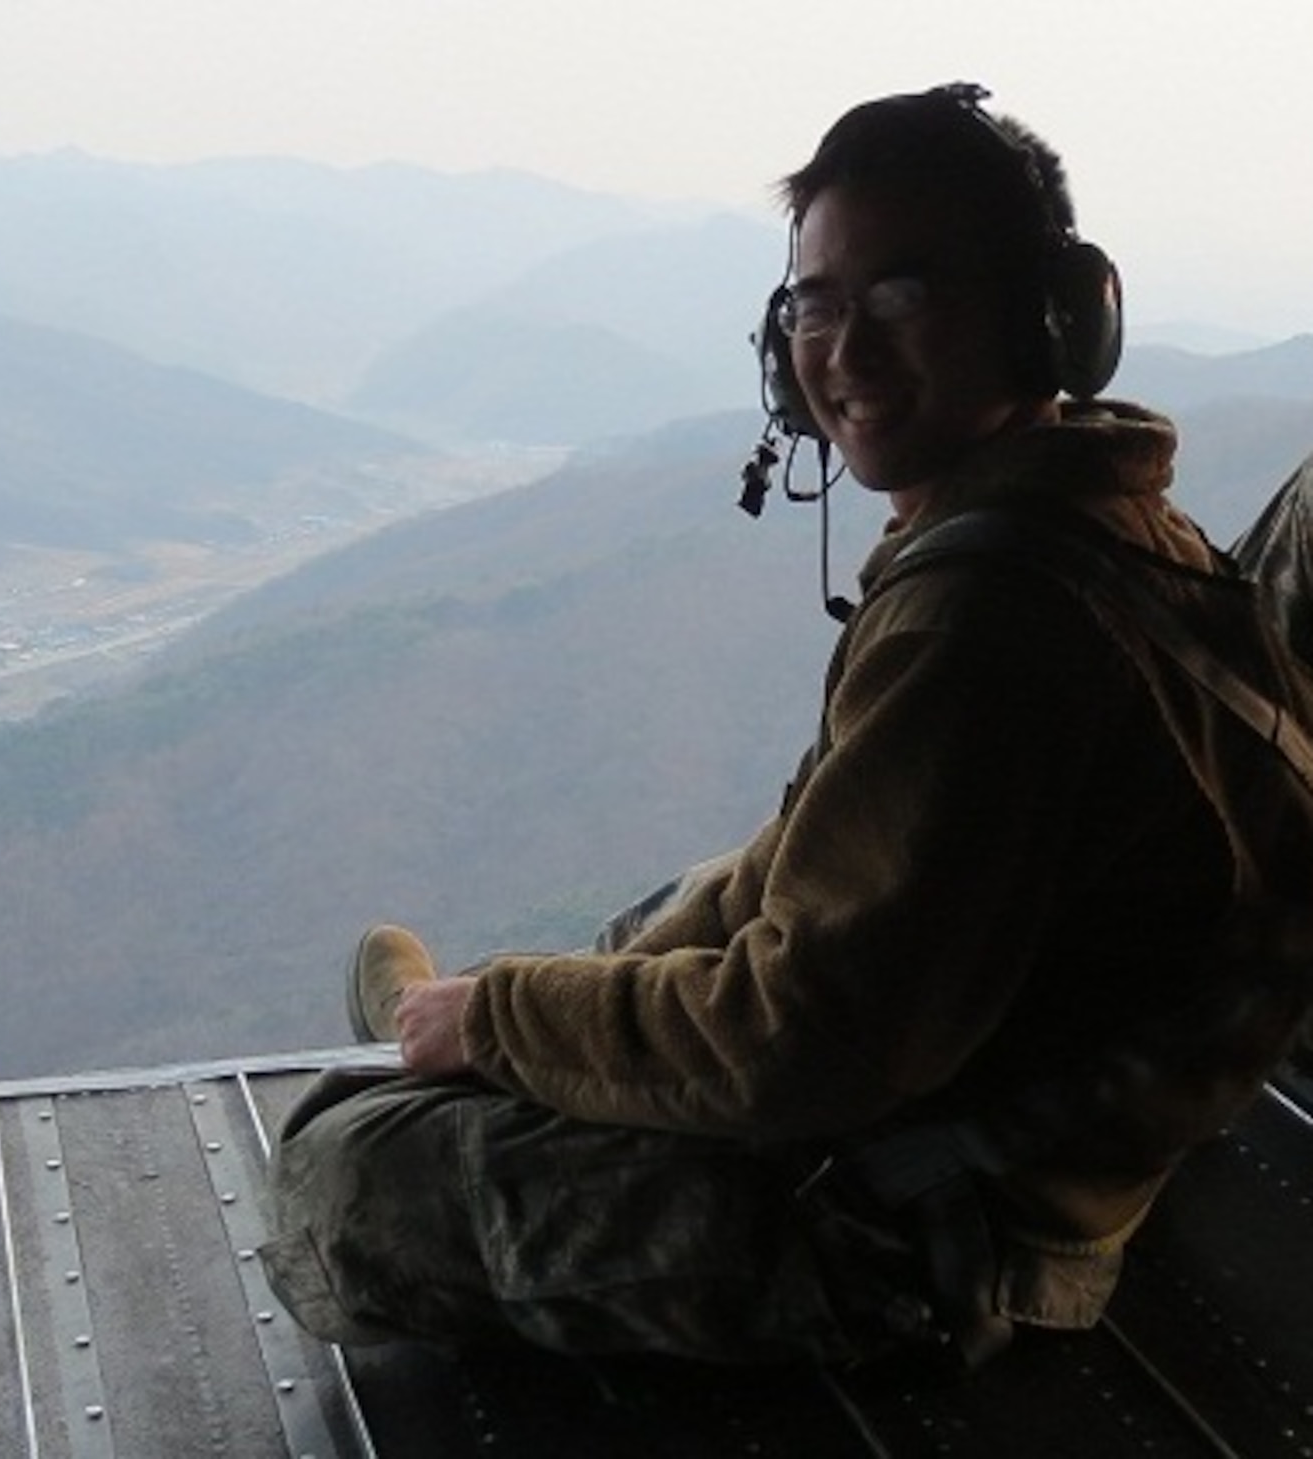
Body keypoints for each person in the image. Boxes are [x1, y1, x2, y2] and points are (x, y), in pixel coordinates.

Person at [259, 83, 1313, 1371]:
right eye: (818, 304)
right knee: (695, 901)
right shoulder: (1100, 519)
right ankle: (469, 1024)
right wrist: (521, 1013)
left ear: (1045, 320)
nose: (847, 353)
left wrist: (494, 1024)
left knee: (341, 1165)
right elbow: (824, 880)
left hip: (938, 1231)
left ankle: (449, 1033)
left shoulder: (982, 624)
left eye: (907, 295)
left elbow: (799, 1046)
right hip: (1011, 1095)